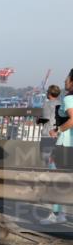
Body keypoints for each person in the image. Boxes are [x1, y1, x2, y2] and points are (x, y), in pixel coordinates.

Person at [40, 69, 73, 224]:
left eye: (67, 78)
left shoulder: (69, 98)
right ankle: (60, 214)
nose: (65, 81)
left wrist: (57, 130)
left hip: (64, 145)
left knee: (55, 178)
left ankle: (56, 214)